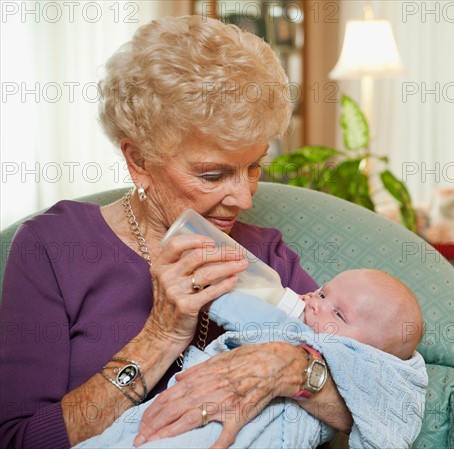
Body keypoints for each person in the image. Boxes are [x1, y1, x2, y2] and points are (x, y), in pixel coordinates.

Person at [0, 15, 409, 449]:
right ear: (138, 159)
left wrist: (287, 367)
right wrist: (160, 335)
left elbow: (377, 397)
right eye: (213, 175)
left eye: (253, 167)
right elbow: (20, 439)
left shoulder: (265, 255)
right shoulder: (54, 248)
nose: (245, 198)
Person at [75, 269, 427, 448]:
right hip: (190, 405)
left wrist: (213, 293)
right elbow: (250, 304)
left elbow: (242, 308)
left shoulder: (347, 358)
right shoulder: (296, 319)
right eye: (322, 291)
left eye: (338, 313)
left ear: (368, 353)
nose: (313, 301)